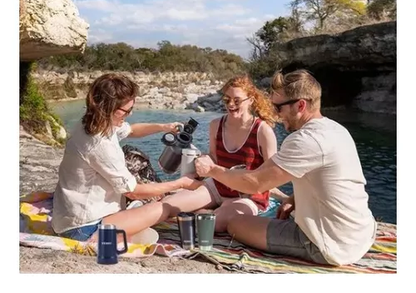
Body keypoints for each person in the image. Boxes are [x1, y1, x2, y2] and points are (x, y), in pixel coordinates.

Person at [195, 69, 377, 266]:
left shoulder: (305, 140)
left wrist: (212, 170)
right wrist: (293, 199)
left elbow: (255, 183)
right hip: (361, 233)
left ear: (300, 105)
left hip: (327, 244)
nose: (275, 114)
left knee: (234, 223)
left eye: (278, 107)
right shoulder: (336, 129)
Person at [51, 73, 203, 242]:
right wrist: (181, 183)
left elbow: (131, 130)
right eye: (126, 110)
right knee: (163, 208)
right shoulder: (99, 144)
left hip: (68, 218)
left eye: (132, 109)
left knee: (151, 201)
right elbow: (134, 193)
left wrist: (163, 127)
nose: (129, 114)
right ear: (106, 108)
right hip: (84, 228)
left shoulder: (92, 122)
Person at [156, 74, 283, 232]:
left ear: (250, 99)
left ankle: (207, 212)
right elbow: (214, 157)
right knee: (166, 206)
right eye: (226, 99)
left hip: (247, 196)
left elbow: (271, 174)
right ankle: (207, 210)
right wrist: (204, 159)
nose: (230, 104)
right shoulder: (216, 125)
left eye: (237, 100)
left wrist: (285, 197)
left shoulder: (263, 131)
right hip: (217, 187)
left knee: (211, 224)